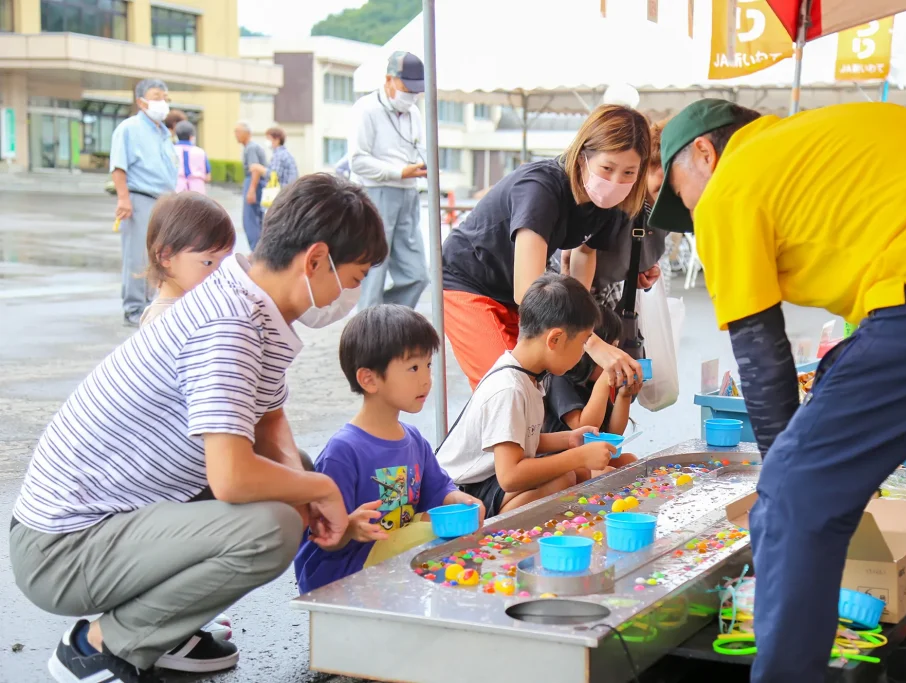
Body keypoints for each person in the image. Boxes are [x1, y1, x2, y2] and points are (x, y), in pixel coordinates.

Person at [648, 98, 906, 683]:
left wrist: (787, 485)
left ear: (705, 152)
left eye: (682, 191)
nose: (691, 213)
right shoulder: (822, 139)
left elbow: (762, 355)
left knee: (794, 499)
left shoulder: (732, 184)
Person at [10, 174, 389, 683]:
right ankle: (99, 647)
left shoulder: (250, 300)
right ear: (316, 260)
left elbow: (269, 420)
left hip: (108, 523)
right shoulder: (228, 324)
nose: (353, 294)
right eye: (357, 275)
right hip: (60, 550)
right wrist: (319, 490)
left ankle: (162, 630)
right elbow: (231, 477)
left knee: (291, 471)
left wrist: (309, 491)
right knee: (270, 528)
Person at [442, 104, 649, 391]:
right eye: (607, 168)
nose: (616, 182)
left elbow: (585, 253)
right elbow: (526, 290)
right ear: (582, 157)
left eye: (629, 172)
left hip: (522, 297)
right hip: (470, 281)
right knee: (504, 386)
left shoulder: (609, 205)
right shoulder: (541, 187)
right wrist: (590, 340)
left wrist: (582, 322)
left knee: (533, 387)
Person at [293, 305, 483, 594]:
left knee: (446, 530)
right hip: (342, 571)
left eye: (428, 365)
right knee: (431, 534)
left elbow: (439, 492)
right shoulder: (343, 451)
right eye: (413, 368)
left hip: (389, 557)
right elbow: (319, 534)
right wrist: (349, 528)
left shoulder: (414, 439)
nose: (426, 379)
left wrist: (462, 500)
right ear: (369, 379)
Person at [436, 273, 618, 519]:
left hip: (484, 482)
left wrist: (568, 440)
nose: (583, 354)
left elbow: (519, 438)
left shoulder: (526, 375)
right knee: (565, 477)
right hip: (458, 496)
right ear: (555, 339)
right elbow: (510, 476)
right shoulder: (509, 388)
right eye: (583, 342)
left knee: (576, 474)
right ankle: (498, 533)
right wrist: (577, 456)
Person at [554, 118, 669, 309]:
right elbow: (580, 253)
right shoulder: (613, 196)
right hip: (574, 289)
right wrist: (579, 312)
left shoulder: (663, 207)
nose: (670, 186)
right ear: (645, 164)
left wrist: (639, 269)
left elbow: (643, 256)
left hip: (608, 291)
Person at [349, 50, 430, 310]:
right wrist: (399, 172)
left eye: (416, 91)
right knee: (373, 272)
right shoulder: (366, 109)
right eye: (408, 88)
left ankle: (383, 318)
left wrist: (421, 167)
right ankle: (369, 324)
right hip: (375, 193)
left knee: (417, 274)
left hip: (408, 194)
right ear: (389, 80)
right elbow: (358, 161)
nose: (411, 96)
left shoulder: (414, 113)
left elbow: (418, 148)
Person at [109, 78, 178, 327]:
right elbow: (118, 167)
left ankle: (150, 304)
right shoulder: (129, 128)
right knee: (137, 255)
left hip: (163, 200)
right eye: (156, 96)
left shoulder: (162, 132)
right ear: (141, 101)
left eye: (165, 97)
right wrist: (124, 199)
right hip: (140, 197)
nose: (162, 101)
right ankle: (134, 307)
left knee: (157, 255)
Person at [542, 307, 638, 468]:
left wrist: (624, 396)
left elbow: (611, 435)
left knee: (629, 461)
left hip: (588, 460)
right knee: (605, 473)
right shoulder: (559, 378)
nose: (616, 356)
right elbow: (585, 429)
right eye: (611, 349)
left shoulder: (592, 380)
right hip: (561, 465)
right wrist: (605, 377)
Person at [139, 192, 235, 326]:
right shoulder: (161, 321)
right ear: (165, 256)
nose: (219, 273)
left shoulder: (198, 303)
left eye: (224, 262)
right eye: (208, 262)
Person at [235, 121, 268, 250]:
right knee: (257, 218)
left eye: (238, 131)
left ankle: (256, 250)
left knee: (250, 219)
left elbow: (255, 169)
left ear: (247, 133)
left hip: (254, 183)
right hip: (254, 183)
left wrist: (251, 190)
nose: (236, 135)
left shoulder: (251, 148)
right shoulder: (249, 147)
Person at [173, 120, 211, 195]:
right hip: (197, 192)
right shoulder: (201, 152)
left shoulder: (171, 151)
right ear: (191, 136)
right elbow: (208, 177)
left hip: (176, 190)